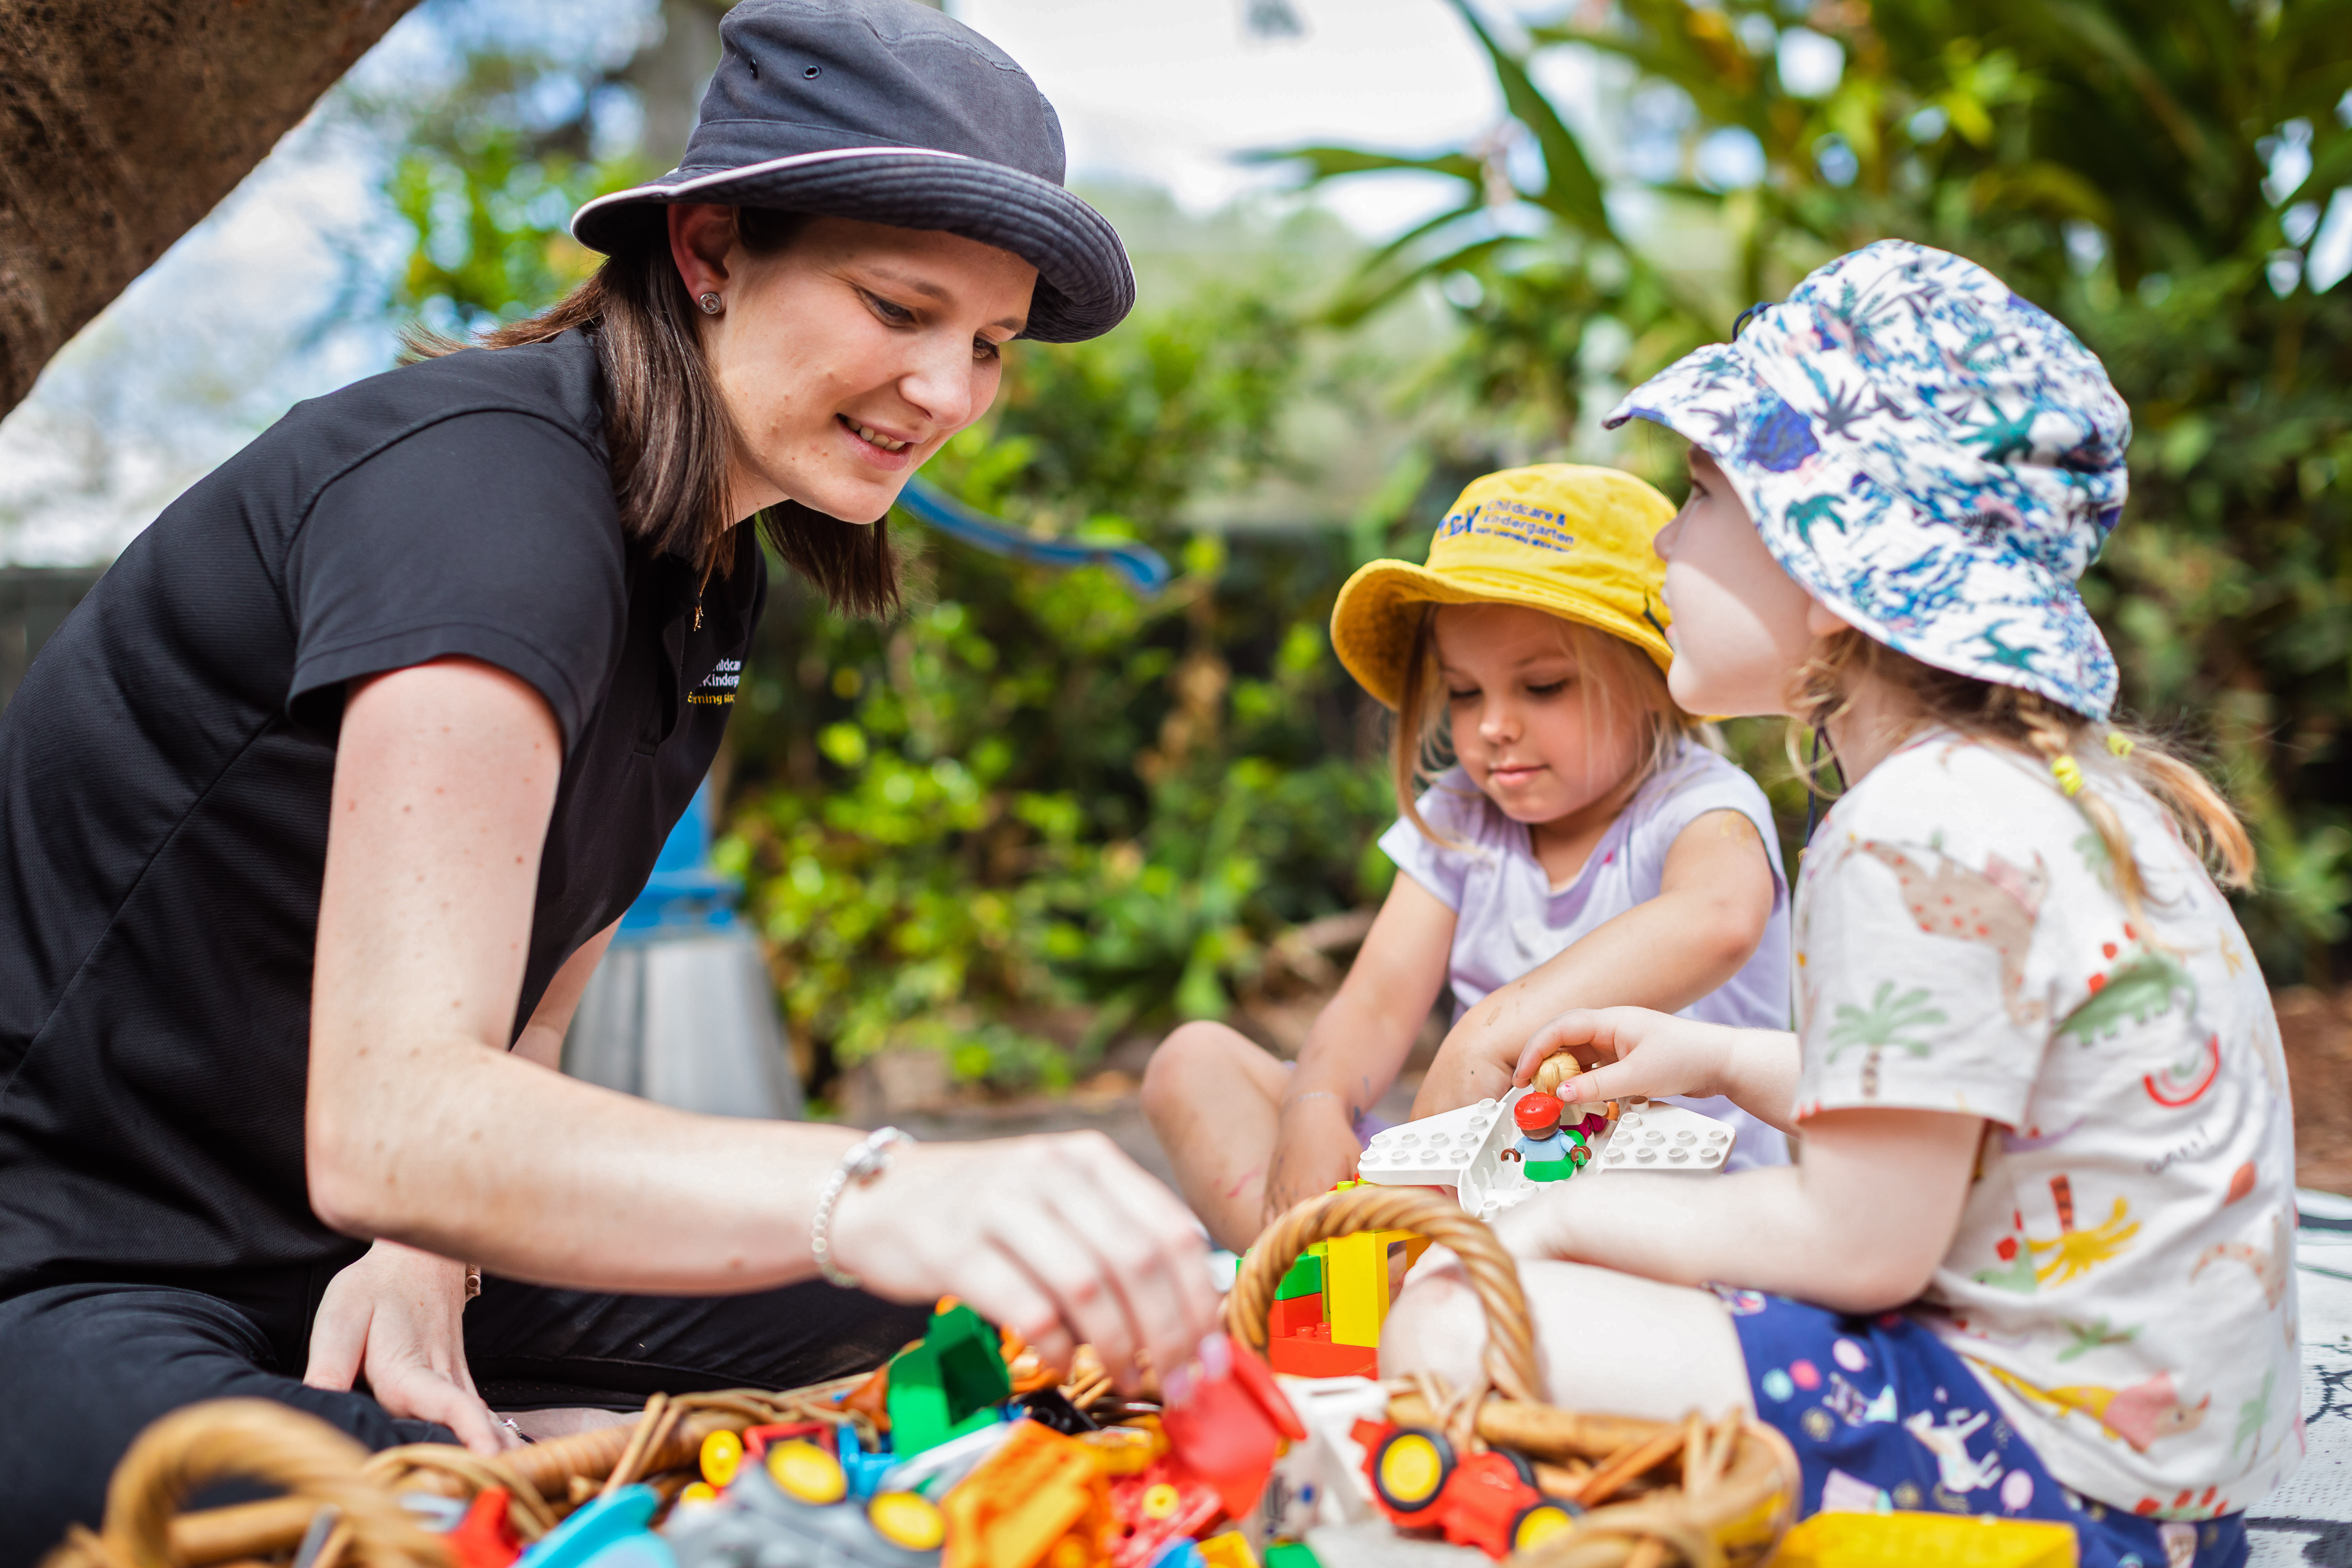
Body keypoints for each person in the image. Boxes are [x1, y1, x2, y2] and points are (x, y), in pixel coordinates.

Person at [0, 1, 1217, 1555]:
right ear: (709, 253)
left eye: (985, 344)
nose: (949, 392)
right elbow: (390, 1118)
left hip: (332, 1243)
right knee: (453, 1525)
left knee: (1003, 1329)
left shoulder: (707, 571)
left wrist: (423, 1247)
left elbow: (528, 1011)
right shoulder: (487, 500)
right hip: (66, 1270)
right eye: (897, 307)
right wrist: (878, 1180)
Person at [1382, 241, 2292, 1568]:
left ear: (1827, 560)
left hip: (2051, 1486)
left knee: (1458, 1313)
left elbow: (1859, 1245)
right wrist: (1723, 1057)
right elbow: (1972, 1103)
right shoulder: (2043, 791)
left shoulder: (1913, 832)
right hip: (2167, 1475)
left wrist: (1563, 1219)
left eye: (1699, 495)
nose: (1666, 541)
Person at [1144, 464, 1791, 1252]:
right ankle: (1322, 1284)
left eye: (1544, 686)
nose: (1492, 727)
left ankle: (1402, 1293)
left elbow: (1718, 917)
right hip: (1477, 1191)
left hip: (1662, 1200)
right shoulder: (1462, 813)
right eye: (1463, 692)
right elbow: (1378, 1000)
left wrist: (1494, 1026)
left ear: (1656, 677)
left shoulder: (1699, 807)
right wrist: (1313, 1105)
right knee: (1193, 1061)